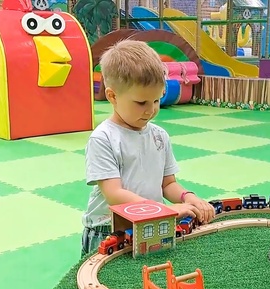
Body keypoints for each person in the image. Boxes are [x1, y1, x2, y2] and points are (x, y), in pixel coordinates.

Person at [80, 39, 215, 257]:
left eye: (156, 100)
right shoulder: (104, 138)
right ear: (112, 96)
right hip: (109, 228)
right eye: (141, 103)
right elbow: (114, 194)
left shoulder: (159, 136)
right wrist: (164, 210)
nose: (150, 110)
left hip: (152, 223)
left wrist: (187, 197)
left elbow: (168, 183)